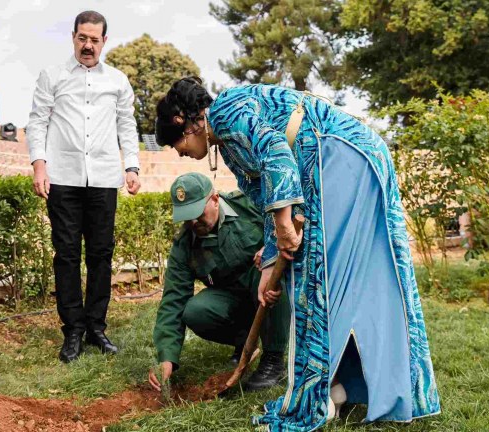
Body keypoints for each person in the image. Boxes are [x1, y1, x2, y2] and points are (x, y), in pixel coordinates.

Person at [154, 78, 440, 429]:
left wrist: (286, 224)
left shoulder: (225, 111)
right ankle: (339, 385)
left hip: (338, 155)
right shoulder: (227, 145)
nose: (178, 152)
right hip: (338, 160)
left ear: (185, 121)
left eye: (175, 143)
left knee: (317, 277)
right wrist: (269, 265)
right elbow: (264, 197)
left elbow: (276, 154)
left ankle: (319, 392)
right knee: (326, 279)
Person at [26, 10, 141, 363]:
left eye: (94, 40)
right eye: (82, 38)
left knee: (101, 255)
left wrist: (132, 165)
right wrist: (39, 166)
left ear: (104, 41)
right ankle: (72, 329)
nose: (88, 45)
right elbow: (37, 122)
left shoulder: (119, 81)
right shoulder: (53, 76)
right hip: (62, 177)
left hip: (104, 178)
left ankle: (96, 327)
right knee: (67, 255)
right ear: (73, 36)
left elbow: (127, 124)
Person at [148, 173, 290, 393]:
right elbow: (173, 300)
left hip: (268, 289)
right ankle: (246, 343)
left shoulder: (248, 204)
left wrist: (270, 249)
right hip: (232, 299)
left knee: (271, 276)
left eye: (197, 213)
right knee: (195, 311)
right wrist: (167, 357)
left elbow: (286, 225)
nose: (193, 222)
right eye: (187, 217)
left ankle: (273, 359)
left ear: (214, 199)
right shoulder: (184, 245)